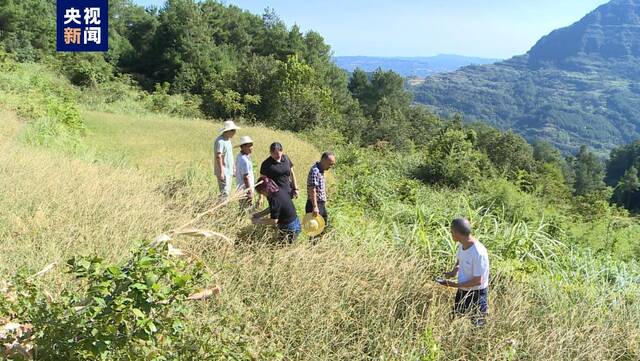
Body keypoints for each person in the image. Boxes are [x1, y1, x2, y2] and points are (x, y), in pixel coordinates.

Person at [438, 218, 490, 326]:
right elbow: (460, 260)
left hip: (477, 295)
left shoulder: (478, 252)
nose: (451, 234)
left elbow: (477, 281)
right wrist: (453, 271)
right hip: (462, 291)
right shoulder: (462, 244)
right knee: (456, 321)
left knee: (476, 327)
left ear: (457, 233)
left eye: (451, 231)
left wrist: (454, 285)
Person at [252, 176, 301, 242]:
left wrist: (258, 221)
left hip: (290, 228)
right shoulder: (277, 190)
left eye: (261, 192)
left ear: (264, 190)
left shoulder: (274, 199)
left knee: (284, 249)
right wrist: (259, 214)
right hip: (294, 223)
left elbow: (274, 221)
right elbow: (273, 208)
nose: (262, 194)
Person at [306, 151, 336, 229]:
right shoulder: (315, 171)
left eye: (332, 164)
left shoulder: (321, 170)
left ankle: (321, 241)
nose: (331, 166)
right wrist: (315, 207)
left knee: (322, 226)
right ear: (323, 160)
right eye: (330, 164)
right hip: (315, 204)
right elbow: (312, 190)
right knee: (314, 229)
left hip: (320, 204)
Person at [213, 119, 240, 197]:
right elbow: (218, 156)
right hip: (224, 171)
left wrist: (234, 168)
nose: (235, 132)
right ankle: (220, 207)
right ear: (228, 131)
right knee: (225, 193)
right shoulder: (220, 141)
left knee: (227, 191)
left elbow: (230, 155)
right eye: (233, 130)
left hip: (229, 170)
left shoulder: (228, 140)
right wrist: (221, 172)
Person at [235, 135, 254, 208]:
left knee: (242, 208)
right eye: (249, 146)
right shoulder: (244, 160)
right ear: (243, 147)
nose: (251, 148)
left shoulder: (240, 156)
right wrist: (249, 192)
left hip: (241, 188)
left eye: (251, 145)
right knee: (246, 209)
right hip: (245, 190)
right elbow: (245, 177)